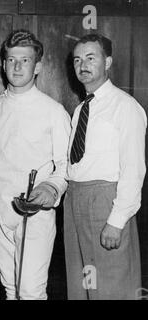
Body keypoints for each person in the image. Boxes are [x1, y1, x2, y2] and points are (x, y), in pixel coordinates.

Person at [0, 30, 71, 300]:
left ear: (38, 67)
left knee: (30, 291)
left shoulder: (53, 111)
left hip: (34, 210)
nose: (17, 66)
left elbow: (65, 164)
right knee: (10, 287)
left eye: (25, 60)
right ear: (3, 64)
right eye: (11, 60)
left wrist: (52, 188)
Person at [64, 33, 146, 300]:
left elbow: (133, 170)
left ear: (108, 62)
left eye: (91, 58)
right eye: (77, 59)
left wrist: (117, 220)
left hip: (106, 203)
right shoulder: (81, 109)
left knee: (112, 287)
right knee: (82, 285)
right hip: (75, 199)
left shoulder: (125, 107)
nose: (82, 65)